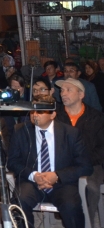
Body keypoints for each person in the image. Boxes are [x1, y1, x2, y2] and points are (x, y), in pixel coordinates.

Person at [8, 102, 92, 228]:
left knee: (70, 205)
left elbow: (85, 166)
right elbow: (12, 161)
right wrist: (33, 175)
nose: (34, 115)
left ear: (52, 114)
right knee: (19, 201)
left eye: (40, 112)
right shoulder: (21, 131)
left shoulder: (71, 133)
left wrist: (57, 175)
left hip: (62, 183)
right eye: (32, 112)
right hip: (32, 182)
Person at [54, 78, 104, 227]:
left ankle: (86, 222)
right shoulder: (55, 116)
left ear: (81, 94)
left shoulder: (95, 117)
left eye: (69, 90)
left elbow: (102, 147)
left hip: (90, 164)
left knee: (90, 187)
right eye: (62, 90)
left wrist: (86, 161)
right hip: (62, 164)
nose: (63, 93)